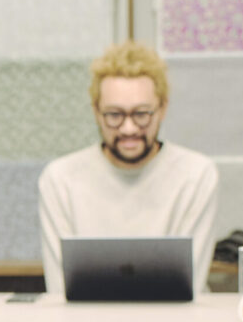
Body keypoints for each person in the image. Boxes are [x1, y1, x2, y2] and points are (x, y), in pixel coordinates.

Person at [38, 40, 219, 296]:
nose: (129, 128)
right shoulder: (60, 179)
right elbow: (61, 291)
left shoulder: (196, 175)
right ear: (96, 111)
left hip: (175, 320)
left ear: (162, 108)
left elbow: (190, 287)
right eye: (114, 115)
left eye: (141, 114)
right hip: (86, 320)